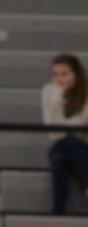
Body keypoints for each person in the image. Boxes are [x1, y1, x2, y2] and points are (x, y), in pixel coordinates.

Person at [43, 53, 88, 215]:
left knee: (61, 155)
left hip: (84, 149)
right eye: (55, 74)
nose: (59, 79)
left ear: (76, 74)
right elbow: (53, 133)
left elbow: (83, 130)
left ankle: (57, 212)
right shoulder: (49, 91)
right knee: (62, 150)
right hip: (62, 145)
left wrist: (68, 129)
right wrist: (57, 101)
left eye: (64, 74)